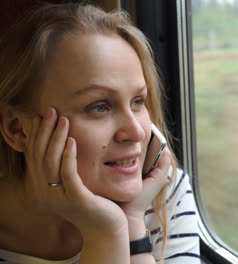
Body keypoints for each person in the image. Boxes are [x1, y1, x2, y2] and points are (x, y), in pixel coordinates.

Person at [0, 2, 200, 264]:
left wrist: (129, 224)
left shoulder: (162, 192)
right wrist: (104, 237)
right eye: (99, 107)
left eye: (138, 101)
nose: (136, 131)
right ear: (17, 130)